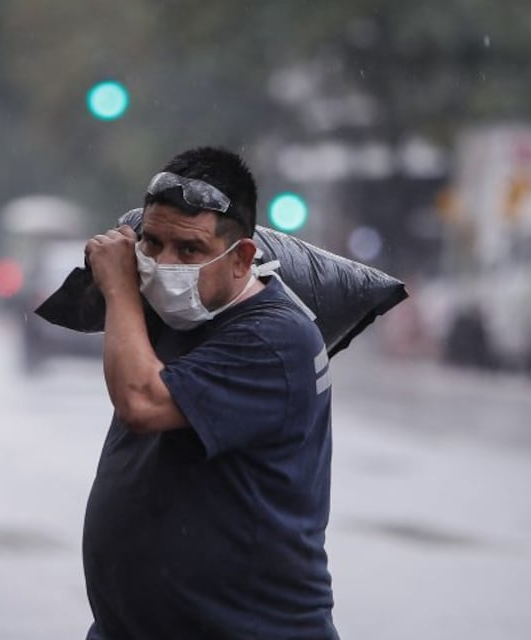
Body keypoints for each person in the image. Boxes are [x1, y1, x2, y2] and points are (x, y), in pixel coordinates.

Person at [81, 146, 339, 639]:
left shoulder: (274, 338)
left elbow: (141, 401)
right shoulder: (169, 311)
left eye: (189, 250)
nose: (163, 263)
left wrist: (119, 289)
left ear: (242, 257)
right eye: (152, 243)